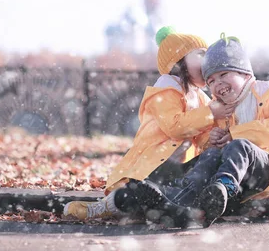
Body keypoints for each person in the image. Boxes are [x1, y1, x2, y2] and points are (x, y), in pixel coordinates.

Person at [63, 26, 235, 220]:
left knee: (179, 181)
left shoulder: (200, 98)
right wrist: (210, 112)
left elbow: (200, 134)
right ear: (178, 62)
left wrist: (212, 138)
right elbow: (175, 127)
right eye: (201, 54)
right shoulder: (165, 90)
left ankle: (160, 208)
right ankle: (104, 207)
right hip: (154, 164)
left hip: (178, 168)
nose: (207, 60)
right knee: (138, 190)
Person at [137, 33, 269, 227]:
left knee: (240, 146)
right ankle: (185, 196)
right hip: (242, 181)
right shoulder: (221, 108)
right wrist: (212, 139)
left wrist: (235, 134)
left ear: (245, 73)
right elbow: (209, 146)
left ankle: (222, 188)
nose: (218, 84)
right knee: (211, 154)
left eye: (224, 74)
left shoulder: (268, 93)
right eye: (211, 81)